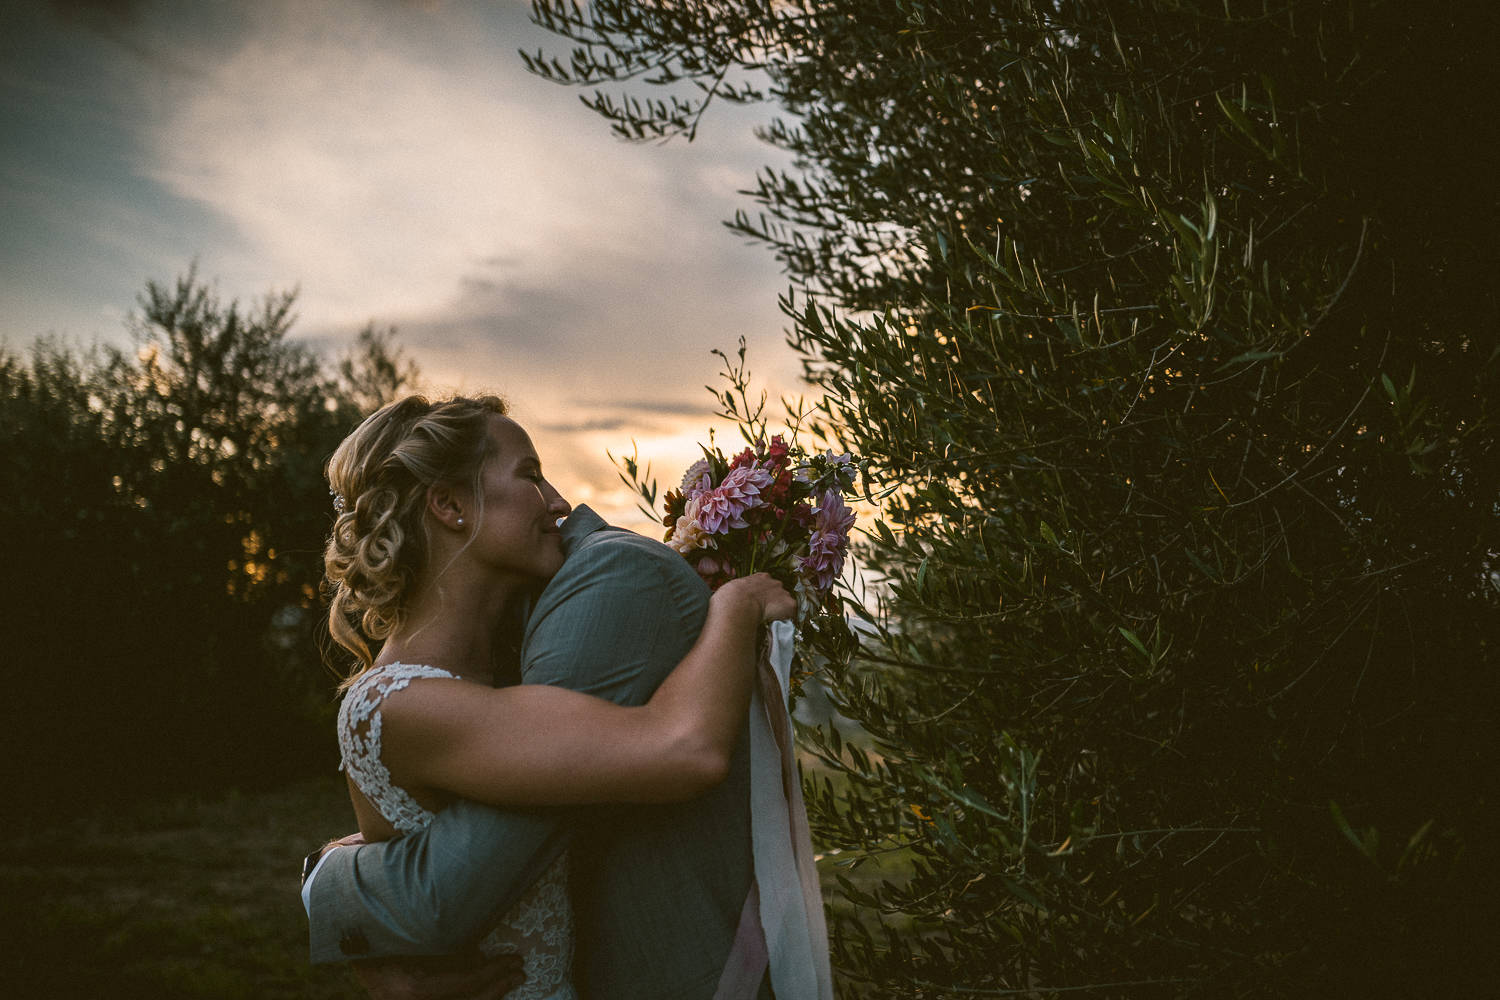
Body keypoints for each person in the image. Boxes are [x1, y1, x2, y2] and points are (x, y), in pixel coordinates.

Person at [302, 393, 788, 1000]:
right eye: (530, 475)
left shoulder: (502, 671)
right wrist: (735, 608)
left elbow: (446, 849)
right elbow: (686, 749)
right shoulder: (400, 704)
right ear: (449, 504)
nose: (559, 503)